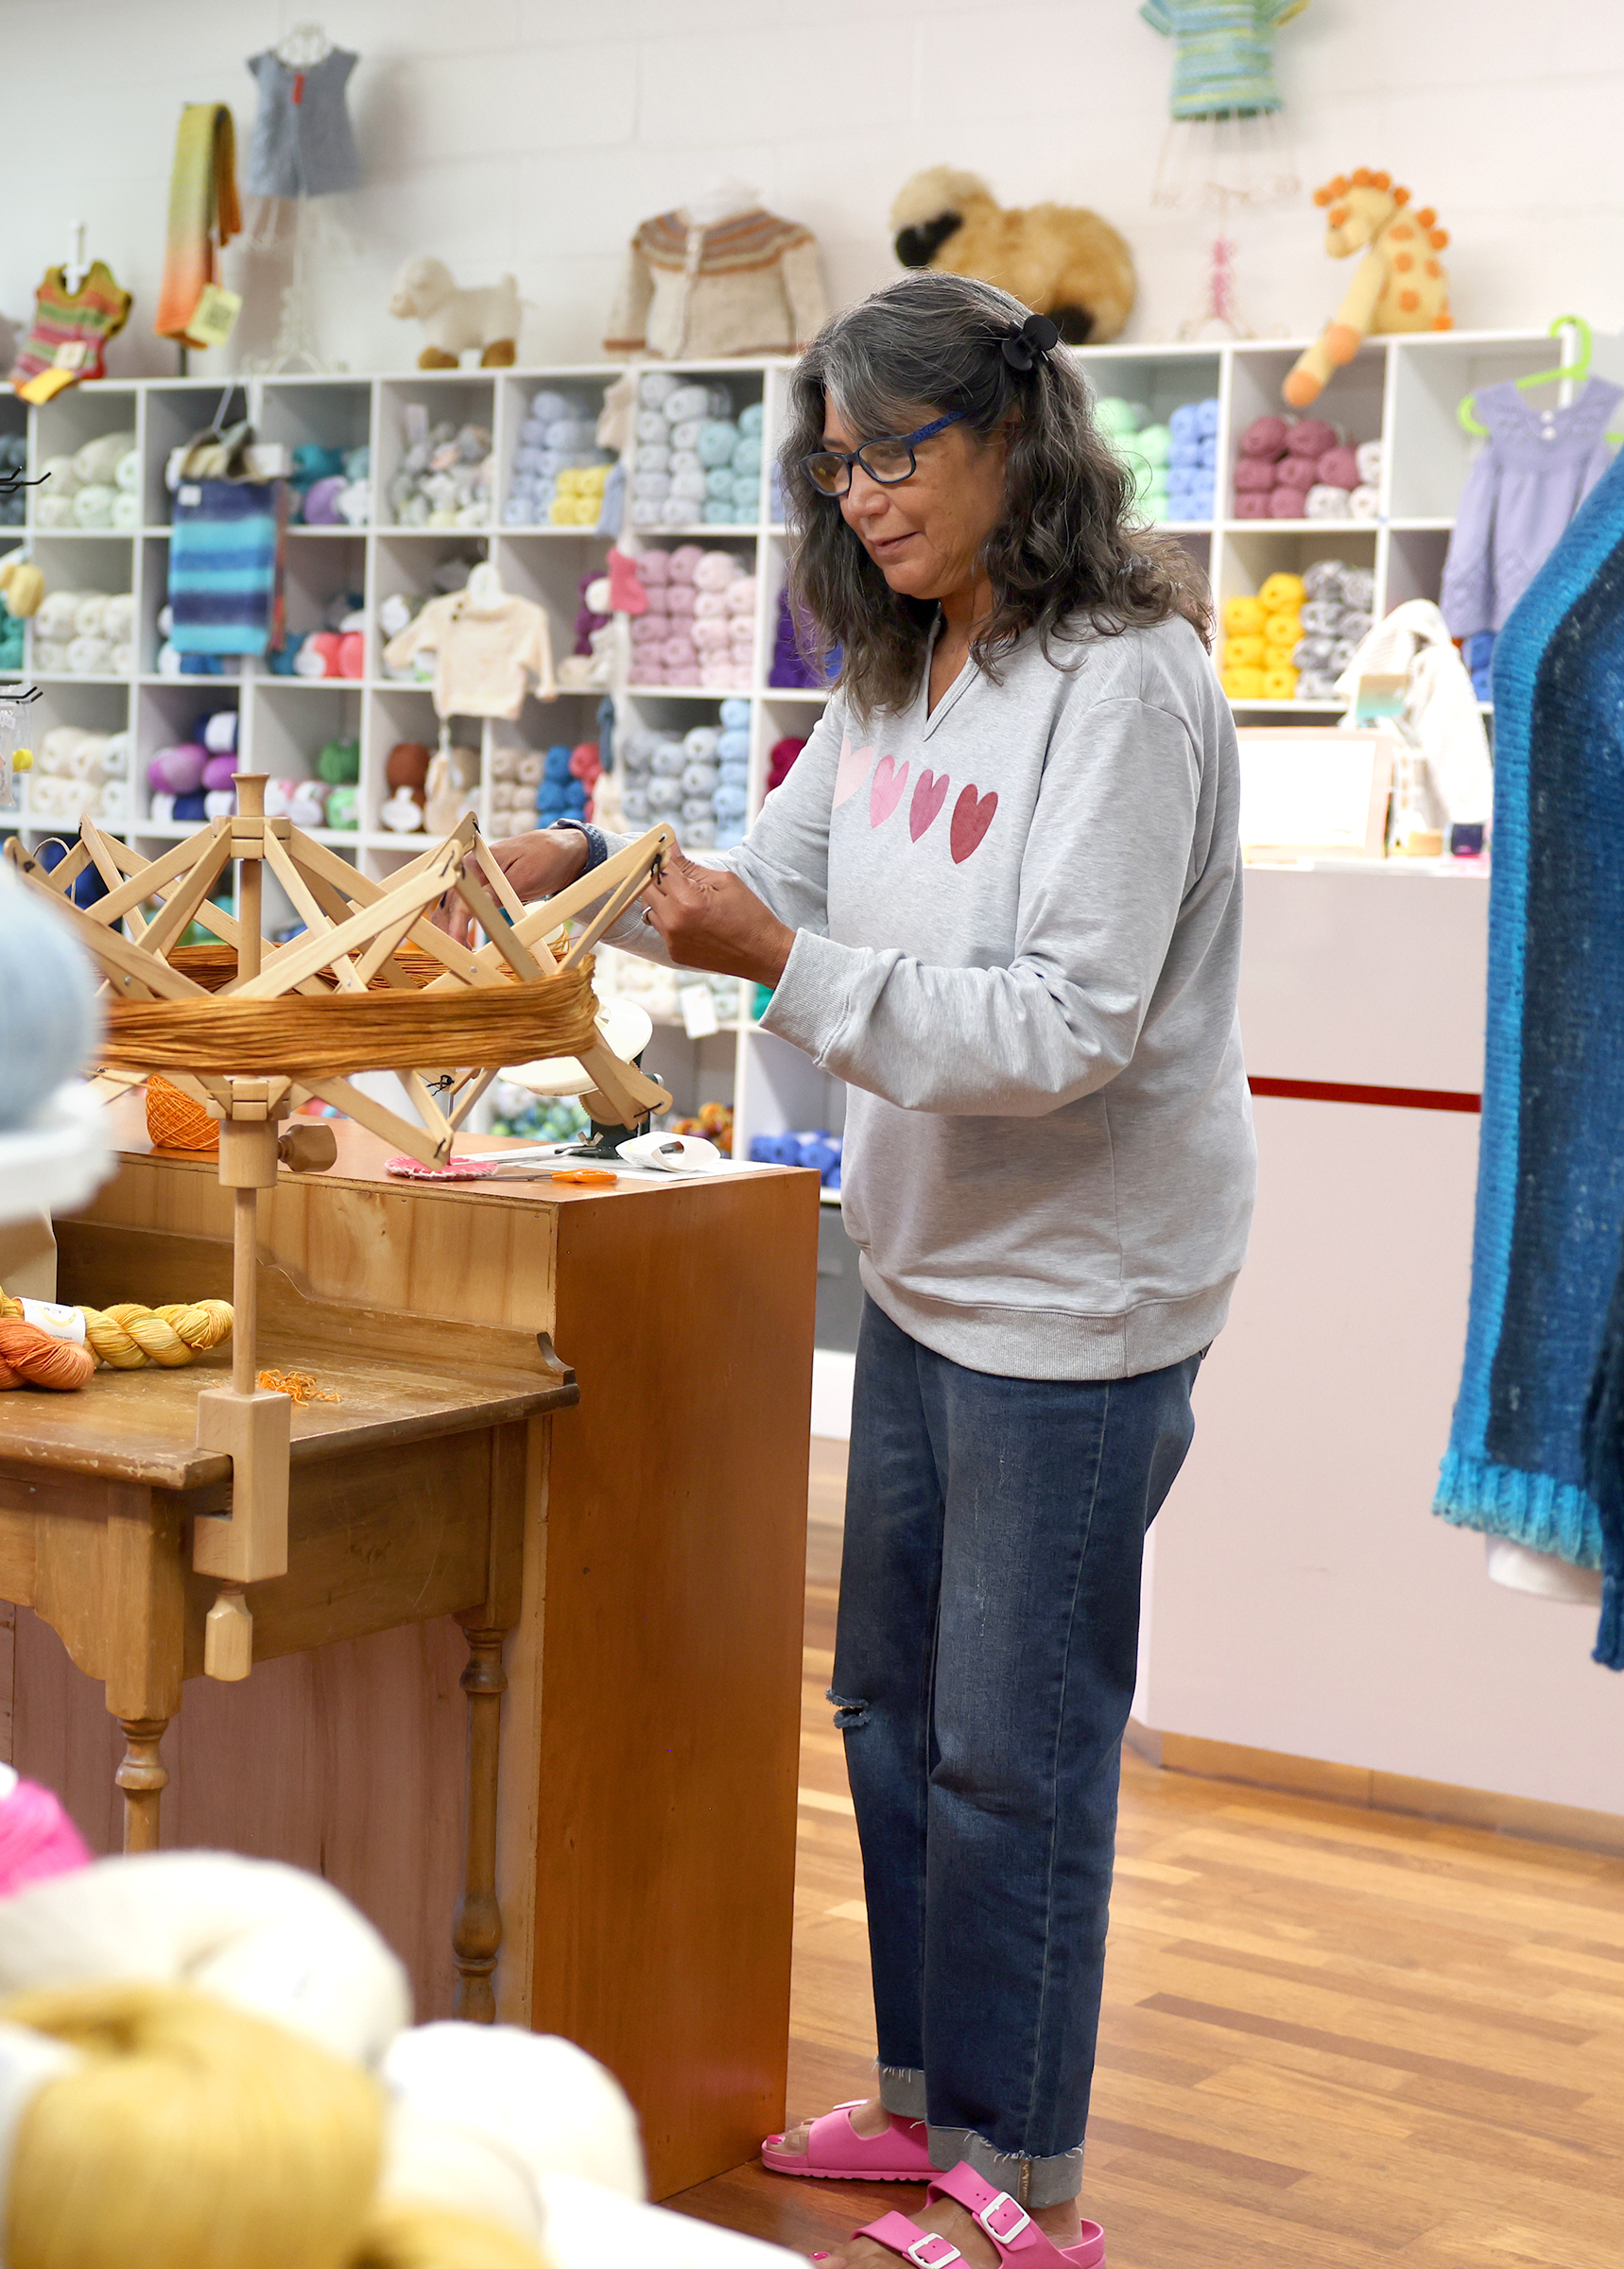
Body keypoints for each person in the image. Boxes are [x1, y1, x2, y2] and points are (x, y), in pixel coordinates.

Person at [490, 270, 1253, 2269]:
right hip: (929, 1264)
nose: (870, 498)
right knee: (894, 1719)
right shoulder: (907, 670)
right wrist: (580, 874)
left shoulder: (1130, 684)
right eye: (839, 465)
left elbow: (1064, 1025)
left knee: (1023, 1746)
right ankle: (932, 2117)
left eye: (897, 455)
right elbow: (783, 886)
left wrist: (775, 961)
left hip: (1079, 1299)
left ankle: (1037, 2178)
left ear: (1017, 435)